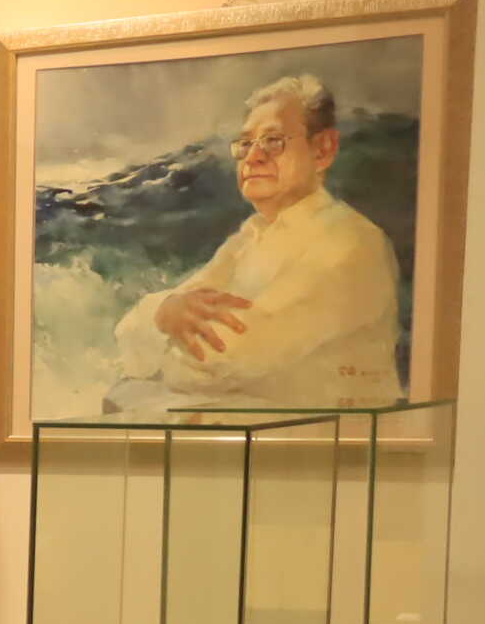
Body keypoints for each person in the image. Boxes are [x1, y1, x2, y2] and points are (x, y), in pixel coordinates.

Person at [105, 74, 402, 410]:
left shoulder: (351, 243)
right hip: (254, 431)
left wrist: (158, 343)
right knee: (124, 395)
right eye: (246, 144)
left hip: (324, 438)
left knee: (130, 397)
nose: (253, 157)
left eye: (273, 141)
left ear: (323, 150)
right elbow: (130, 330)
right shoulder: (248, 238)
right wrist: (164, 311)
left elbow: (221, 358)